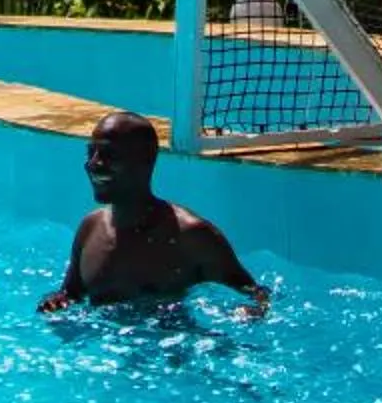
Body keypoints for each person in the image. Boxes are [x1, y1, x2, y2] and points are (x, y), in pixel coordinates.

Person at [39, 109, 269, 314]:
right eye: (91, 152)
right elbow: (71, 294)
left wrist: (253, 310)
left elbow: (255, 293)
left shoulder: (191, 235)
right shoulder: (89, 229)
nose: (93, 164)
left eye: (108, 154)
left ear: (145, 161)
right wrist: (57, 302)